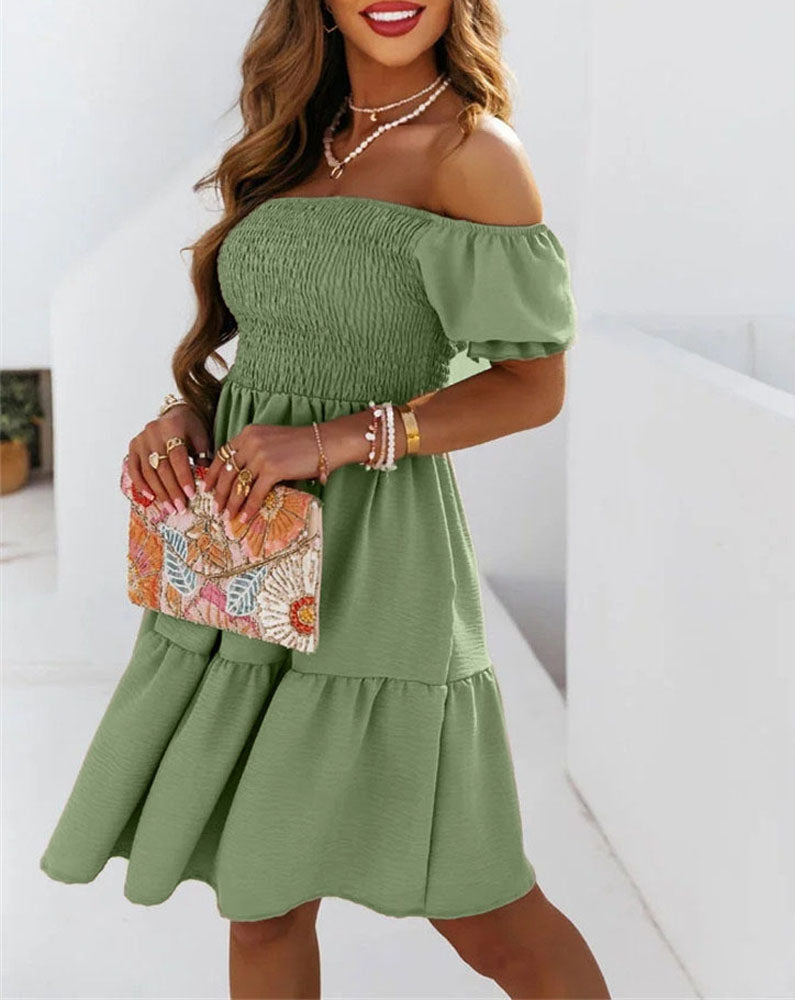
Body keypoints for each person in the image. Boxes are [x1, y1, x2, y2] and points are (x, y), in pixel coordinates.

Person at [40, 1, 609, 997]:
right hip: (255, 552)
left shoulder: (474, 154)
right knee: (261, 904)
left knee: (482, 910)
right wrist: (186, 416)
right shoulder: (296, 136)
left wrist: (336, 439)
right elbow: (280, 352)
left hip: (380, 567)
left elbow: (534, 386)